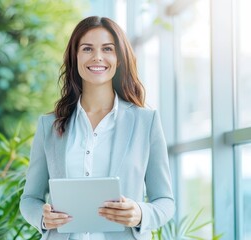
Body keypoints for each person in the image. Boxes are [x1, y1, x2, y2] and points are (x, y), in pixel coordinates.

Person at [19, 16, 175, 240]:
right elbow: (30, 199)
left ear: (119, 58)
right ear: (75, 57)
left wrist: (140, 213)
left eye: (108, 49)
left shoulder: (145, 122)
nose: (98, 57)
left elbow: (165, 202)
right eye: (87, 49)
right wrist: (42, 218)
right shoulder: (50, 125)